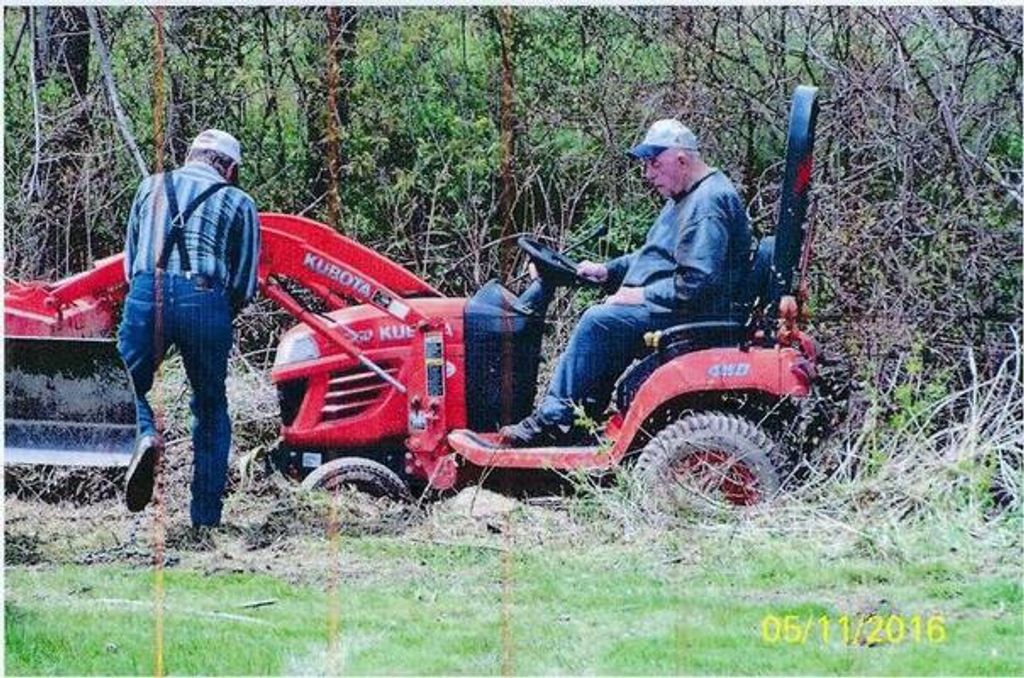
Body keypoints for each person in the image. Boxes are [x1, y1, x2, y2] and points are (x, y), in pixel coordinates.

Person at [500, 118, 751, 447]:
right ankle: (582, 418)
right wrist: (608, 271)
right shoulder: (685, 197)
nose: (648, 174)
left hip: (698, 314)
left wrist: (640, 296)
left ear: (681, 158)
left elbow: (698, 283)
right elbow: (657, 256)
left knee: (599, 321)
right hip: (685, 308)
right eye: (646, 165)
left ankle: (555, 420)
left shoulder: (707, 204)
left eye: (654, 163)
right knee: (610, 318)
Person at [119, 129, 261, 527]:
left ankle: (146, 434)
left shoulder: (150, 187)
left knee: (123, 385)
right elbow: (244, 283)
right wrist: (216, 309)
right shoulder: (239, 202)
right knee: (211, 408)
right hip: (204, 300)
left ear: (191, 156)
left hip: (147, 291)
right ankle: (205, 519)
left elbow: (130, 263)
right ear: (230, 169)